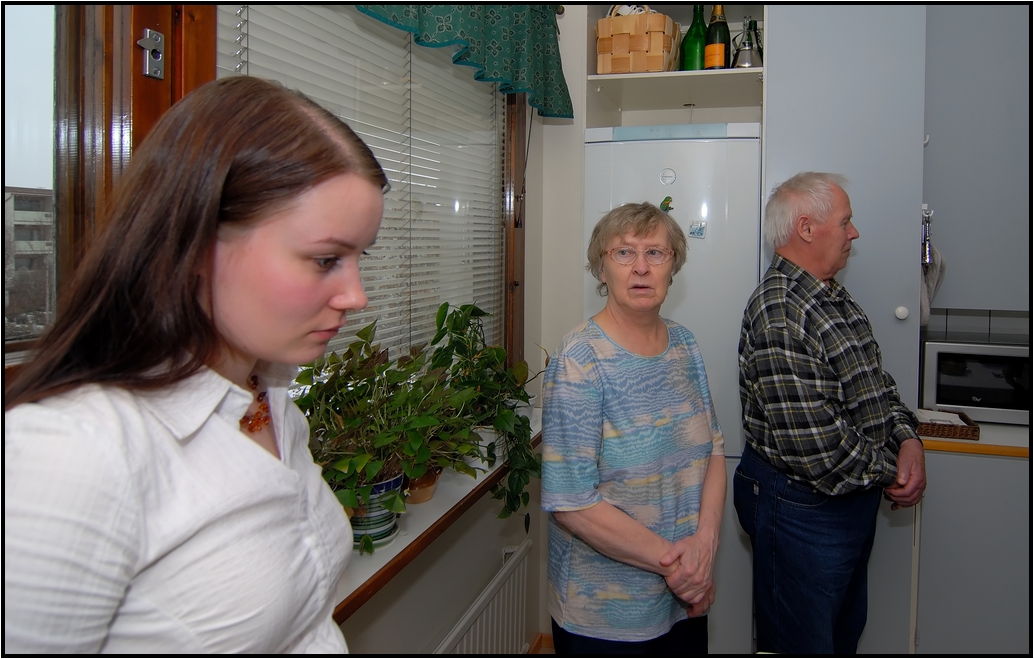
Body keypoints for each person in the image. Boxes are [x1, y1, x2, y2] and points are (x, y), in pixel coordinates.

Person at [4, 76, 388, 653]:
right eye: (325, 259)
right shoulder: (73, 452)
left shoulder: (269, 398)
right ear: (197, 243)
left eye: (359, 257)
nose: (356, 295)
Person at [734, 172, 927, 654]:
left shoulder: (831, 296)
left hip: (846, 498)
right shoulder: (781, 311)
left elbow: (876, 386)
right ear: (806, 228)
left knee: (840, 637)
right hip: (802, 508)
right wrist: (895, 472)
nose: (854, 233)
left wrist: (908, 438)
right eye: (846, 222)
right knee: (803, 645)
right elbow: (818, 449)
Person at [541, 202, 727, 654]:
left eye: (655, 253)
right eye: (624, 252)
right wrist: (680, 567)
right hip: (605, 617)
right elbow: (572, 504)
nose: (641, 267)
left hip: (683, 601)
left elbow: (715, 452)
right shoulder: (579, 360)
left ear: (672, 267)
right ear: (601, 268)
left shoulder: (685, 344)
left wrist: (704, 548)